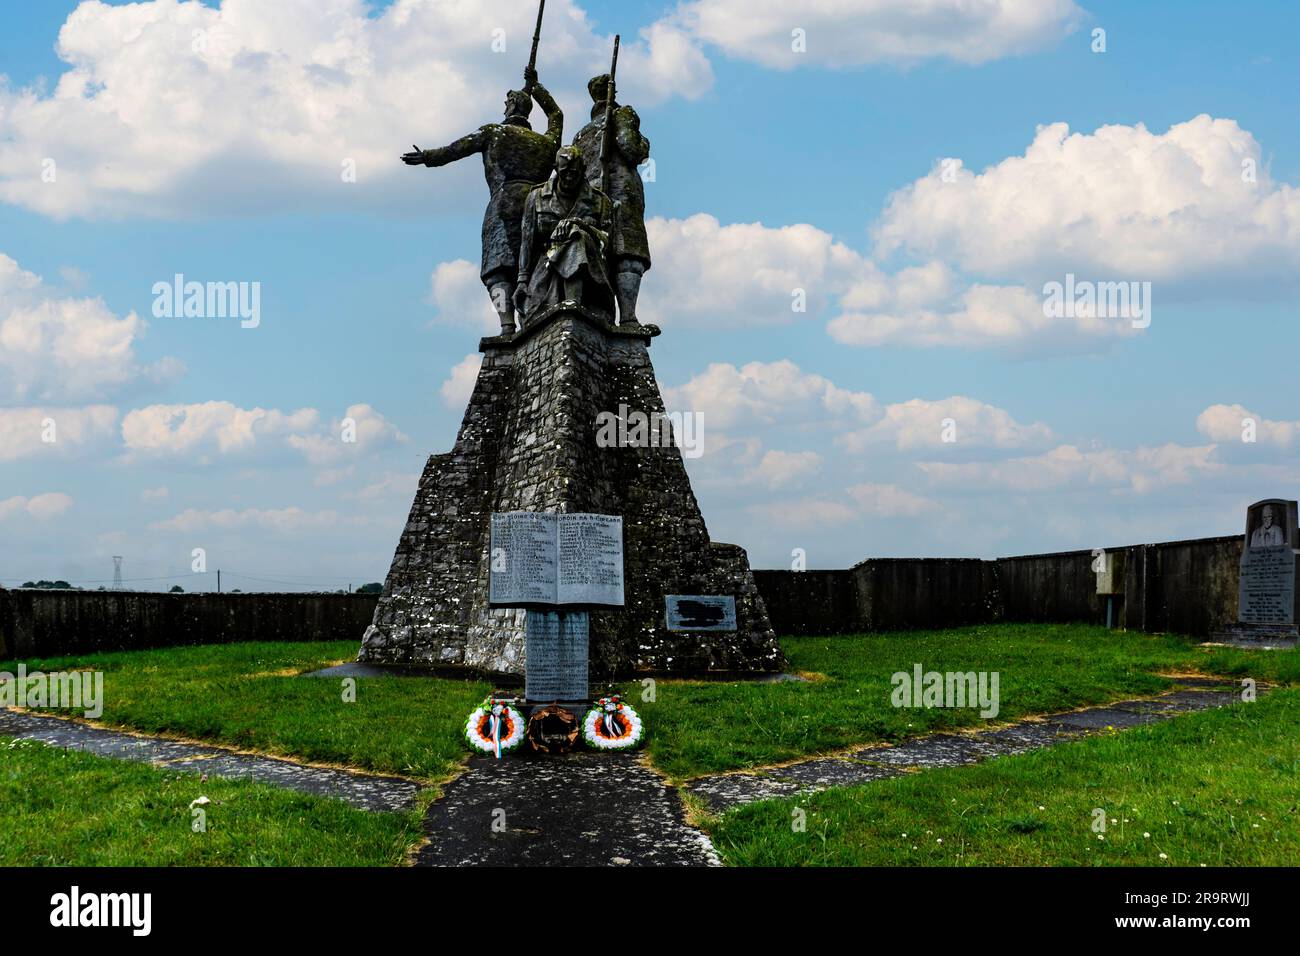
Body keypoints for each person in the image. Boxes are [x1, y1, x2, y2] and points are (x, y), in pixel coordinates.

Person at [402, 68, 562, 334]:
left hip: (503, 203)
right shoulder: (546, 142)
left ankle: (507, 324)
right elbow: (556, 115)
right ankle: (532, 318)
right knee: (534, 263)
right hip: (539, 205)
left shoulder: (493, 133)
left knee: (497, 267)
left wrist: (428, 157)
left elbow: (455, 149)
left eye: (506, 102)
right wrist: (537, 87)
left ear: (511, 106)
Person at [570, 73, 650, 325]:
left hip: (588, 198)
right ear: (612, 93)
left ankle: (596, 312)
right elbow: (630, 147)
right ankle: (628, 317)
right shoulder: (623, 114)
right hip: (621, 191)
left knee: (596, 251)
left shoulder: (580, 135)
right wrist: (644, 142)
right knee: (628, 252)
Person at [514, 145, 618, 321]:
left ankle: (573, 305)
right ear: (556, 169)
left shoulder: (600, 201)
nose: (569, 177)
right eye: (565, 172)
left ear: (583, 170)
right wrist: (522, 281)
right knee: (533, 315)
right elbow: (527, 241)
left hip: (591, 275)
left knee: (576, 237)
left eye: (574, 173)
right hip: (547, 267)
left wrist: (580, 225)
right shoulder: (536, 197)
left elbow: (607, 242)